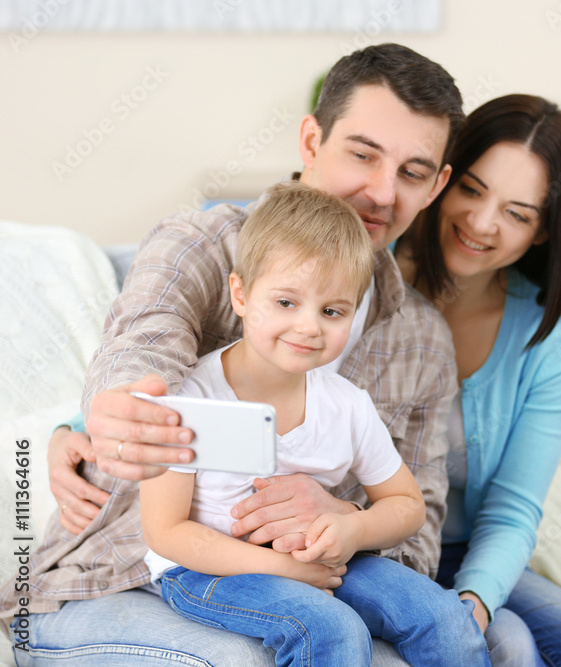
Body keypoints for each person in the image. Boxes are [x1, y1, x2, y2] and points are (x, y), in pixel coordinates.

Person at [1, 43, 467, 665]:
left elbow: (419, 515)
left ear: (437, 185)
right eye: (362, 154)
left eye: (412, 173)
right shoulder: (202, 246)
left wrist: (344, 519)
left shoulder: (421, 337)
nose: (382, 192)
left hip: (317, 564)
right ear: (311, 140)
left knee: (455, 626)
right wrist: (109, 412)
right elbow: (146, 342)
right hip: (118, 568)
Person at [140, 181, 488, 666]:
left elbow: (406, 505)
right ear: (240, 294)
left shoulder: (347, 404)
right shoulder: (192, 397)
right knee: (329, 626)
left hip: (323, 559)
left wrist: (355, 532)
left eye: (331, 311)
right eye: (286, 303)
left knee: (445, 618)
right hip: (202, 569)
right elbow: (166, 531)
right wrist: (280, 567)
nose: (309, 326)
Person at [393, 94, 561, 665]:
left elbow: (512, 509)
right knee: (514, 650)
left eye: (517, 213)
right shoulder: (365, 284)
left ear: (545, 232)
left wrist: (474, 601)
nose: (481, 223)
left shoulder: (551, 341)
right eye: (472, 190)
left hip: (471, 552)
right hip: (383, 551)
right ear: (443, 178)